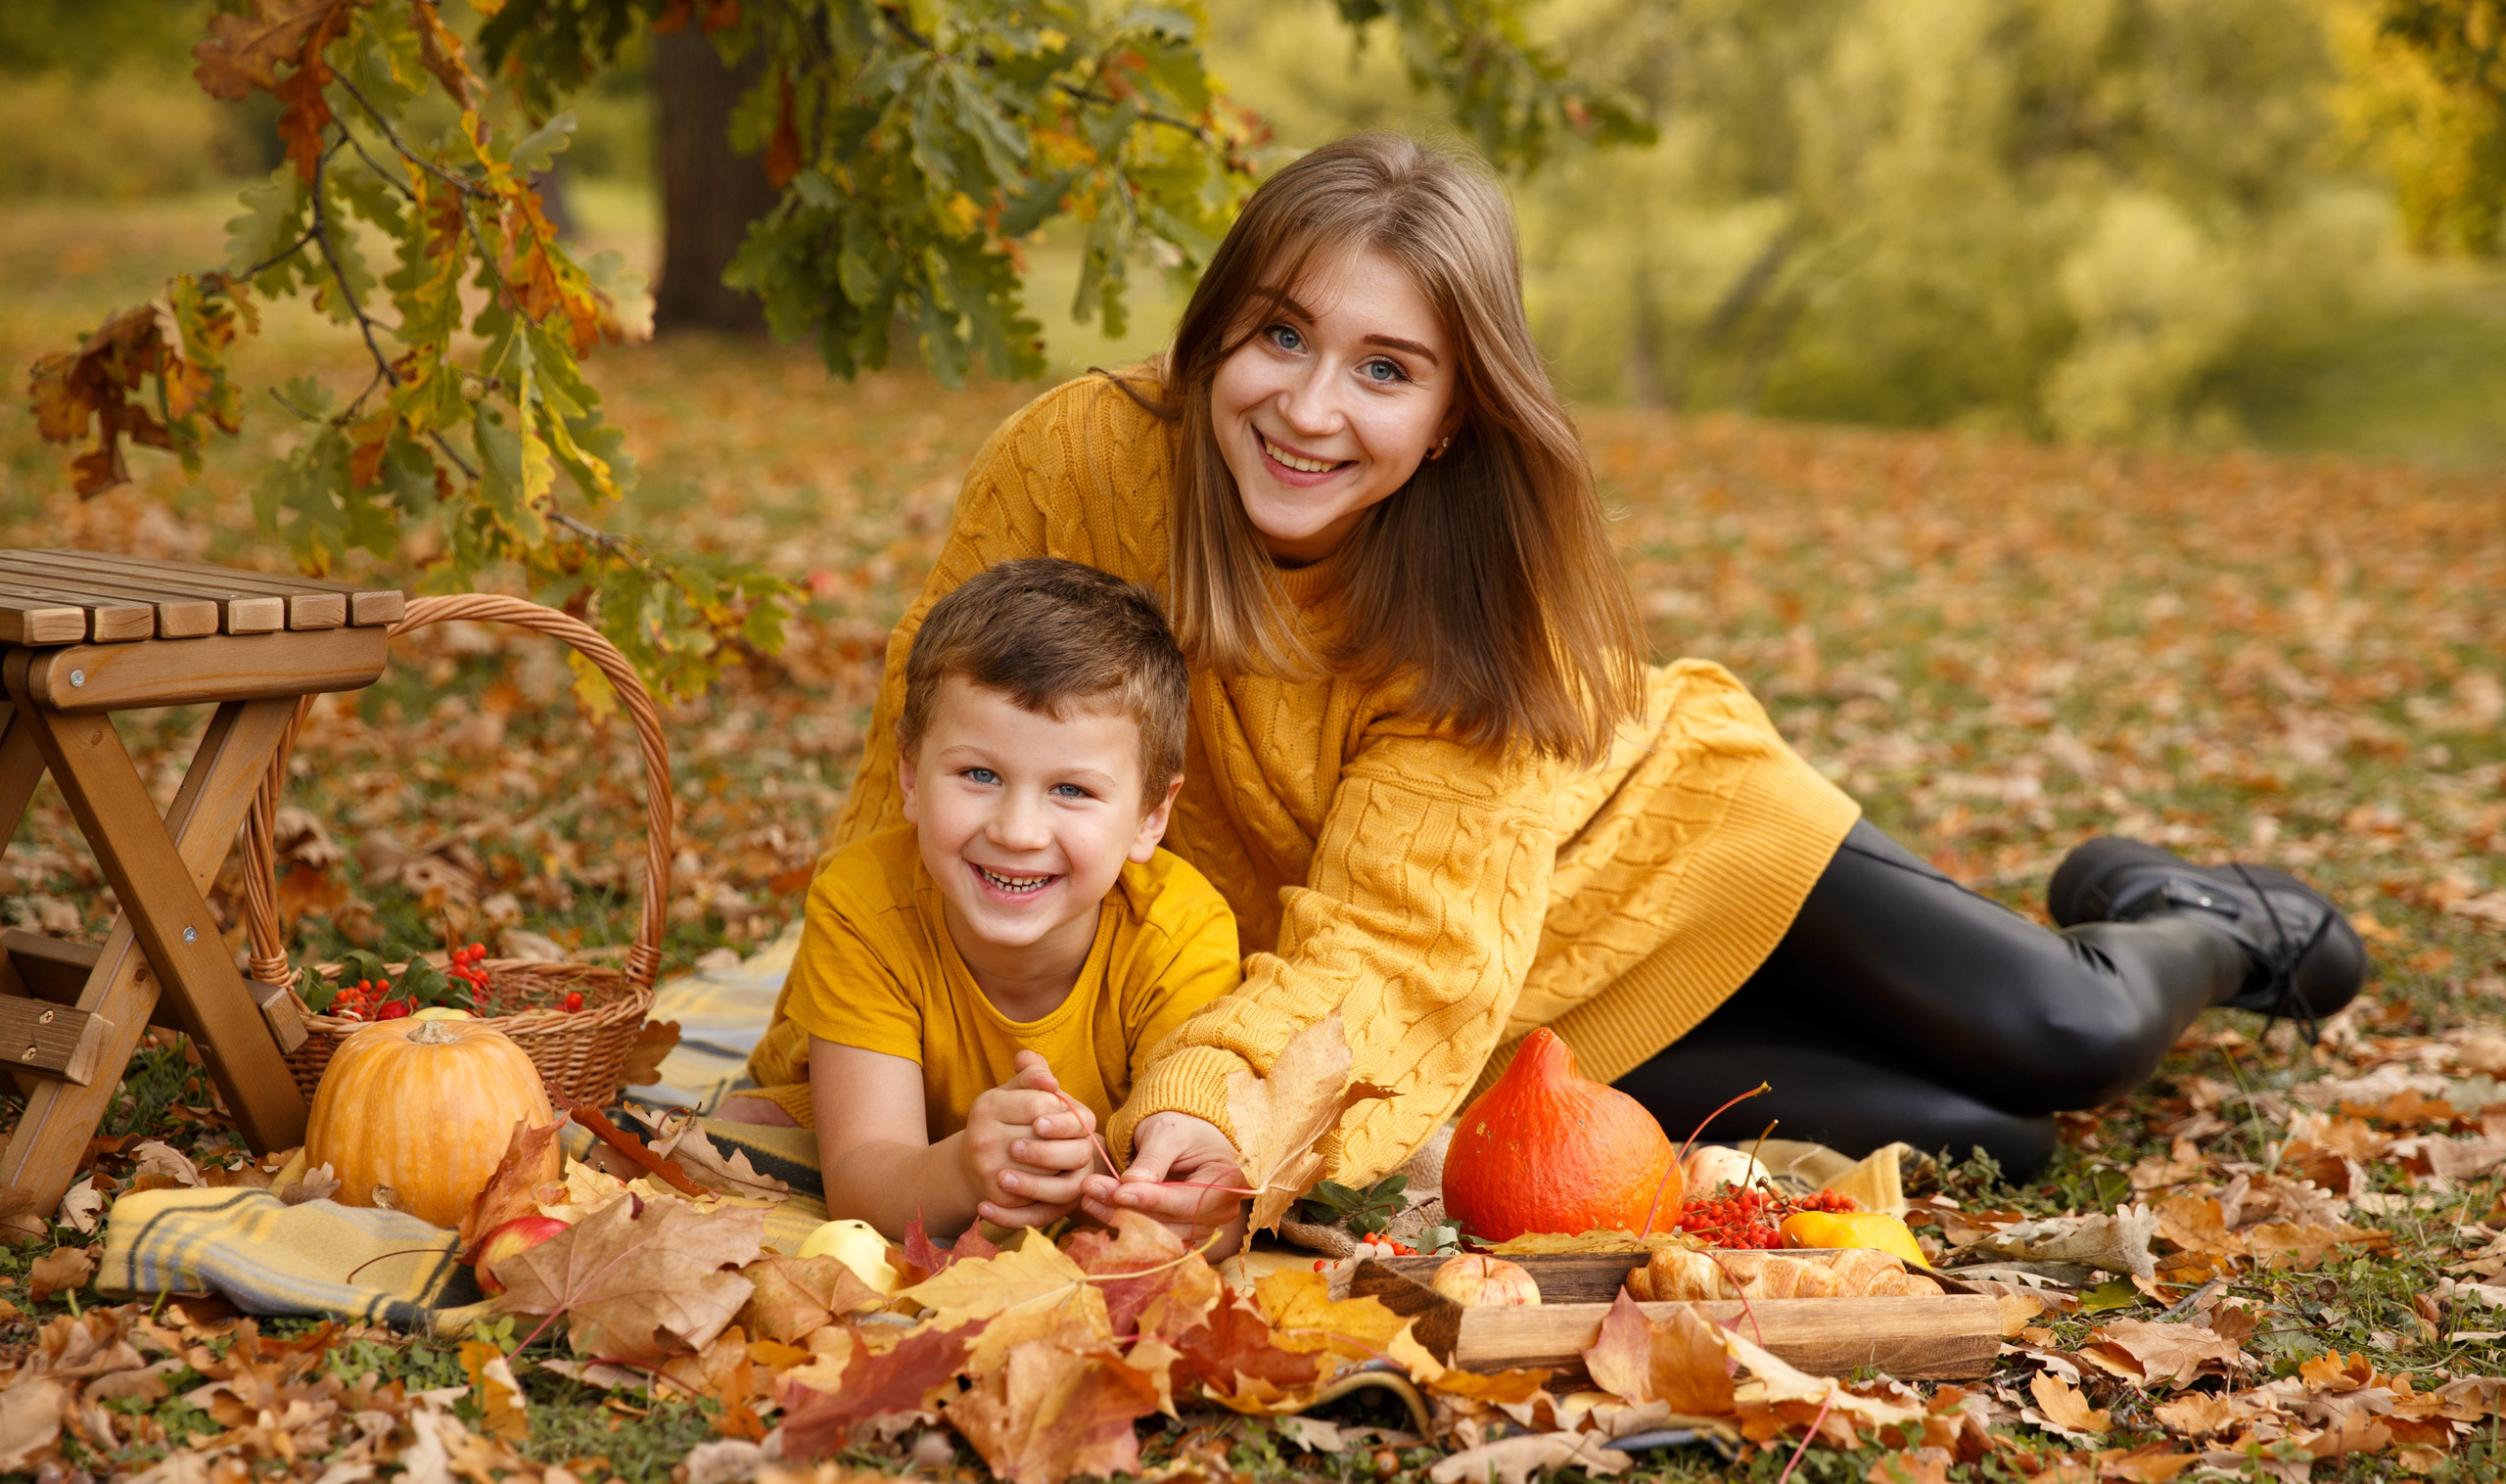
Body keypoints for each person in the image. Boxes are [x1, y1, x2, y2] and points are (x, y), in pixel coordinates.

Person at [722, 133, 2363, 1254]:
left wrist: (1217, 1110)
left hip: (1657, 849)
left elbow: (1400, 935)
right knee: (1988, 1139)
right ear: (1217, 328)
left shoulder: (1500, 598)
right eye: (1279, 335)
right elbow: (920, 766)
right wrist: (849, 1054)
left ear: (1452, 413)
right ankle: (2034, 994)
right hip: (1481, 1012)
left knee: (2055, 1033)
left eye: (1384, 366)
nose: (1306, 407)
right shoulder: (1074, 462)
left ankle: (2196, 913)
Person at [714, 559, 1240, 1242]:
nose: (1017, 832)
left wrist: (1180, 1203)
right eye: (979, 773)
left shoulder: (1178, 933)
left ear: (1149, 816)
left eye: (1072, 789)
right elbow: (861, 1180)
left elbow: (1206, 1194)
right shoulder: (862, 904)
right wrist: (964, 1171)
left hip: (1080, 1168)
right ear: (909, 774)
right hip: (877, 1133)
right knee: (741, 1147)